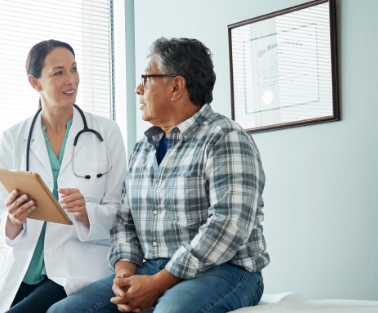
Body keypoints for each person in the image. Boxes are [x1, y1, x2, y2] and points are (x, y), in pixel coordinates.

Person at [48, 37, 270, 313]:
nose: (138, 88)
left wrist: (159, 283)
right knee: (63, 312)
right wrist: (124, 273)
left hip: (227, 269)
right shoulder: (143, 148)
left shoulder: (226, 138)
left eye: (146, 79)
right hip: (151, 266)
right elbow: (125, 222)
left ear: (176, 86)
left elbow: (228, 225)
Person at [0, 39, 128, 313]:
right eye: (59, 72)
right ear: (35, 82)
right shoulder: (13, 137)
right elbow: (1, 217)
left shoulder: (106, 132)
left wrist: (87, 212)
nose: (71, 79)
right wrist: (14, 217)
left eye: (74, 69)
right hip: (25, 267)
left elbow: (122, 214)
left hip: (75, 266)